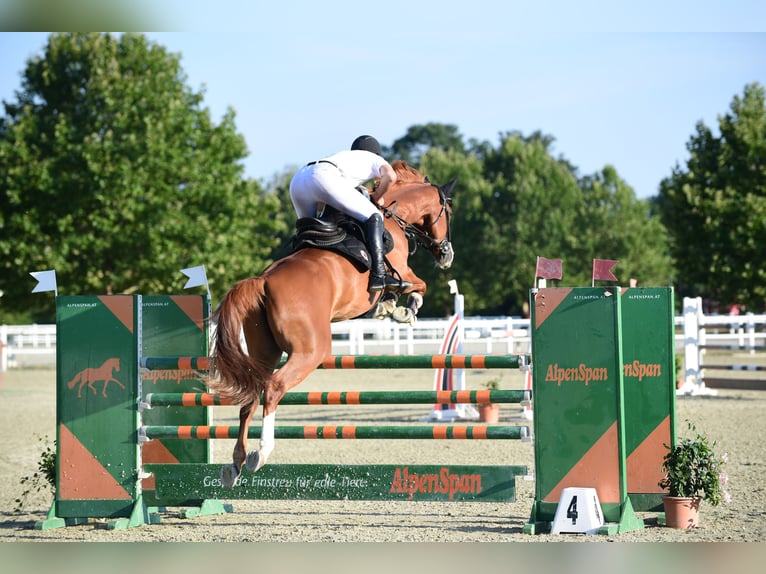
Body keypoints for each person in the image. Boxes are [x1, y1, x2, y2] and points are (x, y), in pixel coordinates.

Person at [289, 135, 403, 293]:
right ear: (376, 153)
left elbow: (327, 201)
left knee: (308, 230)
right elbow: (391, 176)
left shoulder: (343, 157)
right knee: (375, 216)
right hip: (325, 176)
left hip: (299, 179)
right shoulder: (373, 158)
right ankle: (379, 274)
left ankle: (291, 267)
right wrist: (377, 197)